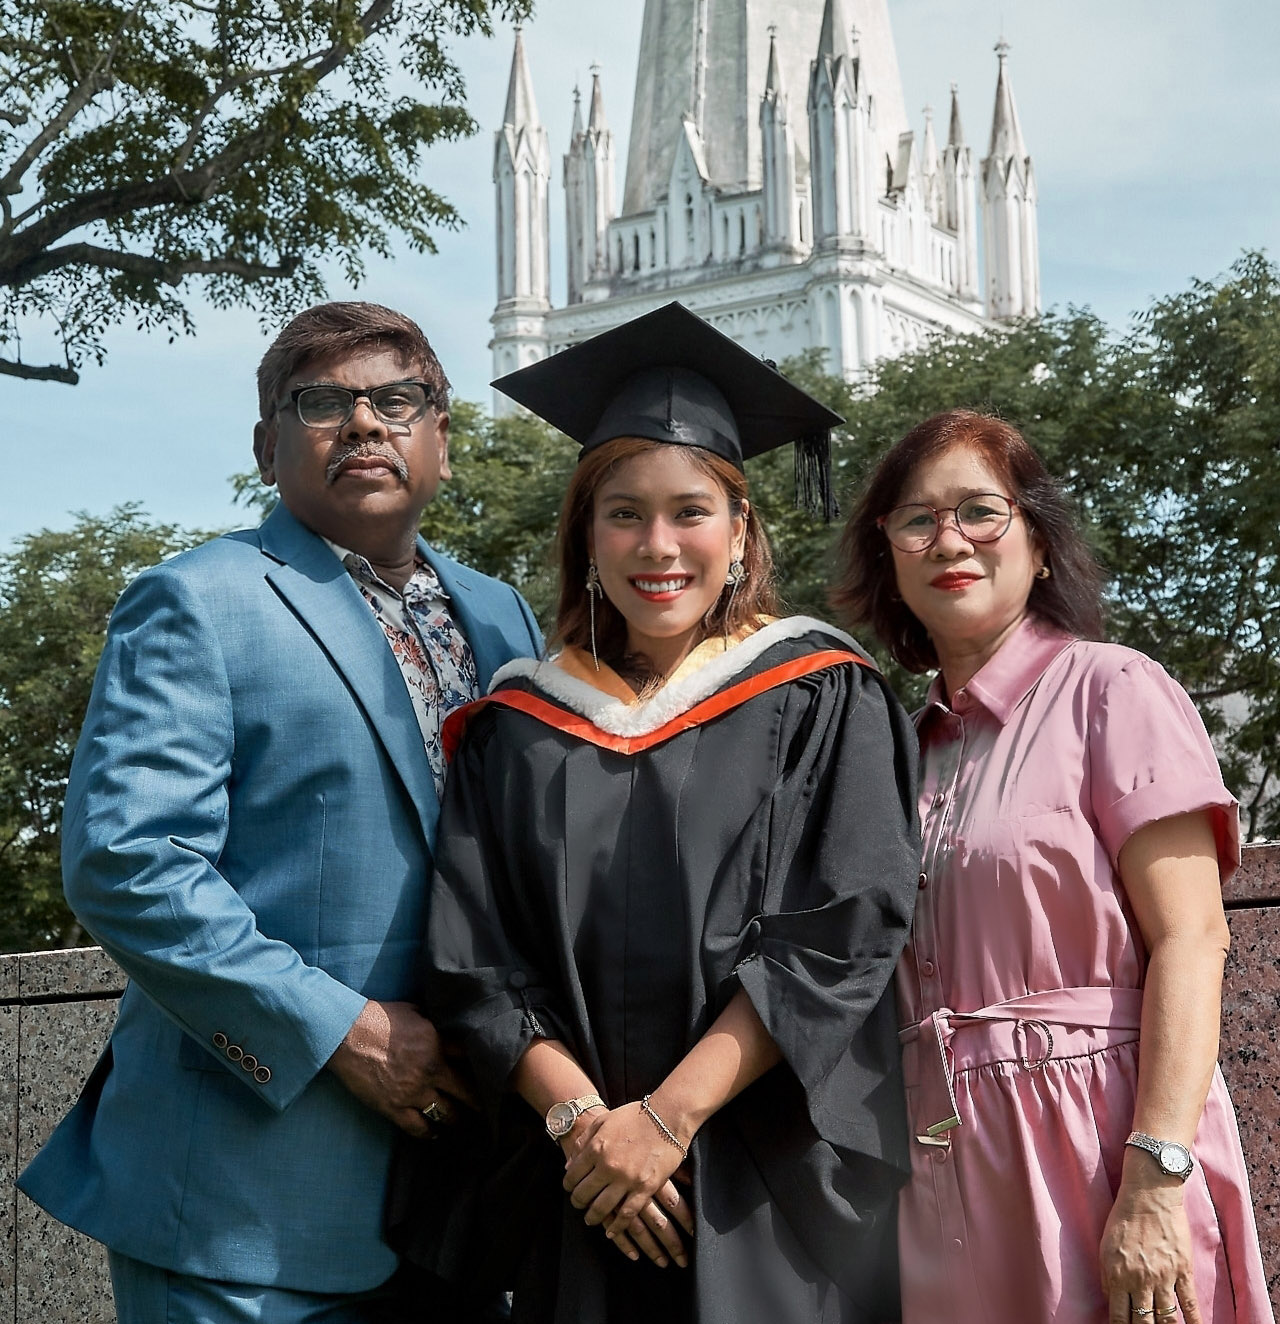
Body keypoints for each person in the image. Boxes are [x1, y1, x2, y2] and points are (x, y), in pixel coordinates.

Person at [18, 302, 542, 1323]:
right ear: (267, 448)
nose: (363, 424)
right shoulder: (198, 600)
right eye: (321, 403)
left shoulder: (500, 613)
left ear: (441, 434)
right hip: (247, 1200)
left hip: (463, 1196)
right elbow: (130, 863)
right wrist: (343, 1032)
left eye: (397, 399)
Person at [408, 303, 922, 1324]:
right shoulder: (516, 725)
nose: (658, 545)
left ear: (739, 532)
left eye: (690, 510)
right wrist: (589, 1130)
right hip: (580, 1185)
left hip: (761, 1177)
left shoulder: (821, 695)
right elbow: (475, 963)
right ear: (583, 536)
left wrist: (666, 1121)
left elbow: (840, 934)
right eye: (623, 512)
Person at [832, 408, 1273, 1324]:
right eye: (916, 519)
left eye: (980, 511)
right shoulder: (895, 750)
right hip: (943, 1160)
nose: (948, 538)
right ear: (889, 558)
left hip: (1098, 1136)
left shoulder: (1112, 689)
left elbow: (1193, 938)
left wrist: (1154, 1177)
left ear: (1038, 544)